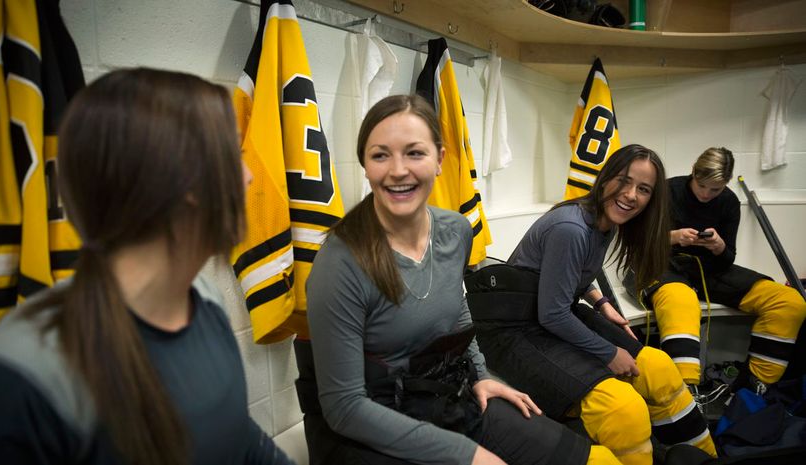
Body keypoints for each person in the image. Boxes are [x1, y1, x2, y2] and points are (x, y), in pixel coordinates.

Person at [0, 68, 294, 465]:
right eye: (233, 155)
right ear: (182, 183)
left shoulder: (204, 301)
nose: (248, 176)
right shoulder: (21, 375)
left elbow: (237, 437)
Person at [298, 94, 621, 465]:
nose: (398, 169)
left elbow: (457, 310)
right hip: (368, 423)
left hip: (444, 395)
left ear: (440, 159)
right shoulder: (340, 262)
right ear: (366, 166)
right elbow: (344, 408)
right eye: (380, 155)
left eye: (415, 153)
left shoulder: (454, 230)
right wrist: (467, 455)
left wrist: (479, 375)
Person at [467, 145, 718, 465]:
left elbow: (574, 278)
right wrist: (609, 353)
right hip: (512, 329)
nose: (630, 195)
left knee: (658, 368)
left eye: (643, 189)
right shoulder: (570, 228)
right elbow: (552, 313)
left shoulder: (605, 221)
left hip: (550, 310)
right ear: (605, 178)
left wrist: (601, 304)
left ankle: (705, 457)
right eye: (623, 181)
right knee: (623, 409)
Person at [629, 147, 806, 394]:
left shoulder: (729, 202)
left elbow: (728, 258)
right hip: (662, 263)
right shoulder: (667, 191)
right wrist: (673, 237)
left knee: (789, 302)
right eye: (702, 186)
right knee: (682, 301)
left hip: (709, 269)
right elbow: (637, 239)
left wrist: (719, 246)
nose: (706, 194)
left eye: (716, 189)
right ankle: (685, 392)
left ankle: (756, 388)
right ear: (694, 172)